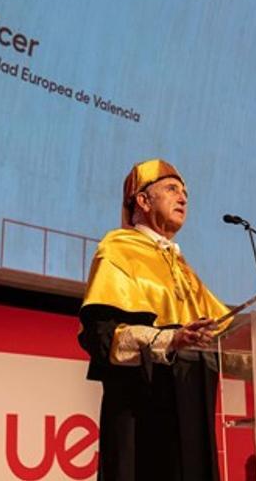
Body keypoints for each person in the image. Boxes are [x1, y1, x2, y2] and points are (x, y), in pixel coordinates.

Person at [77, 159, 229, 481]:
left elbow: (220, 326)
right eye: (172, 189)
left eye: (185, 192)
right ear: (143, 201)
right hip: (142, 412)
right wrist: (170, 339)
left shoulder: (181, 266)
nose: (184, 198)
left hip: (190, 406)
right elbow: (104, 336)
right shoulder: (117, 250)